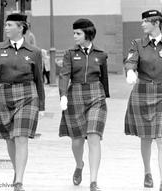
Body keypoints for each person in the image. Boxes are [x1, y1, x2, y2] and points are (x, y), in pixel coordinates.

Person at [0, 13, 45, 191]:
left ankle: (19, 181)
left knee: (21, 137)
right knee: (10, 138)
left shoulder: (35, 52)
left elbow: (39, 79)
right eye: (5, 25)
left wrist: (42, 106)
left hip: (28, 94)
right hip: (4, 94)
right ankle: (17, 171)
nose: (6, 27)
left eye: (9, 25)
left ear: (21, 27)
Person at [123, 10, 162, 191]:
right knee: (146, 137)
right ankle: (147, 172)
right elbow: (131, 60)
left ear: (157, 23)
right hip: (143, 92)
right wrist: (129, 71)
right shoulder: (137, 44)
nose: (142, 24)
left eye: (145, 21)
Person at [59, 18, 110, 191]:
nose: (75, 36)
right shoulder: (69, 53)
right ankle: (79, 164)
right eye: (74, 33)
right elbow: (64, 75)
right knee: (77, 140)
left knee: (94, 136)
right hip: (75, 95)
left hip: (96, 95)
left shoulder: (101, 54)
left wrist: (105, 96)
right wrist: (63, 95)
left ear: (88, 34)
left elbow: (104, 78)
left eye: (78, 33)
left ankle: (93, 181)